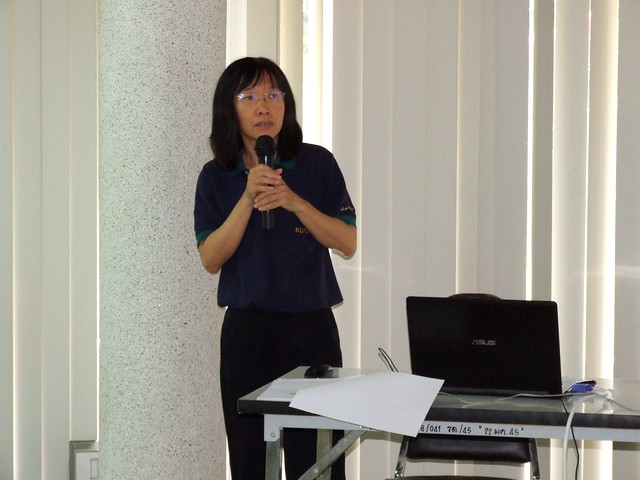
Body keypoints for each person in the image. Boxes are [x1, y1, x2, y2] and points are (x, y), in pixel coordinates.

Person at [194, 57, 356, 480]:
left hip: (311, 332)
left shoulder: (318, 164)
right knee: (250, 463)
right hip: (248, 336)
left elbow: (347, 242)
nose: (264, 106)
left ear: (287, 103)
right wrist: (248, 197)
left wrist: (294, 202)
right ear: (230, 108)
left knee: (319, 465)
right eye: (249, 96)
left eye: (273, 94)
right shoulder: (216, 176)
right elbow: (211, 257)